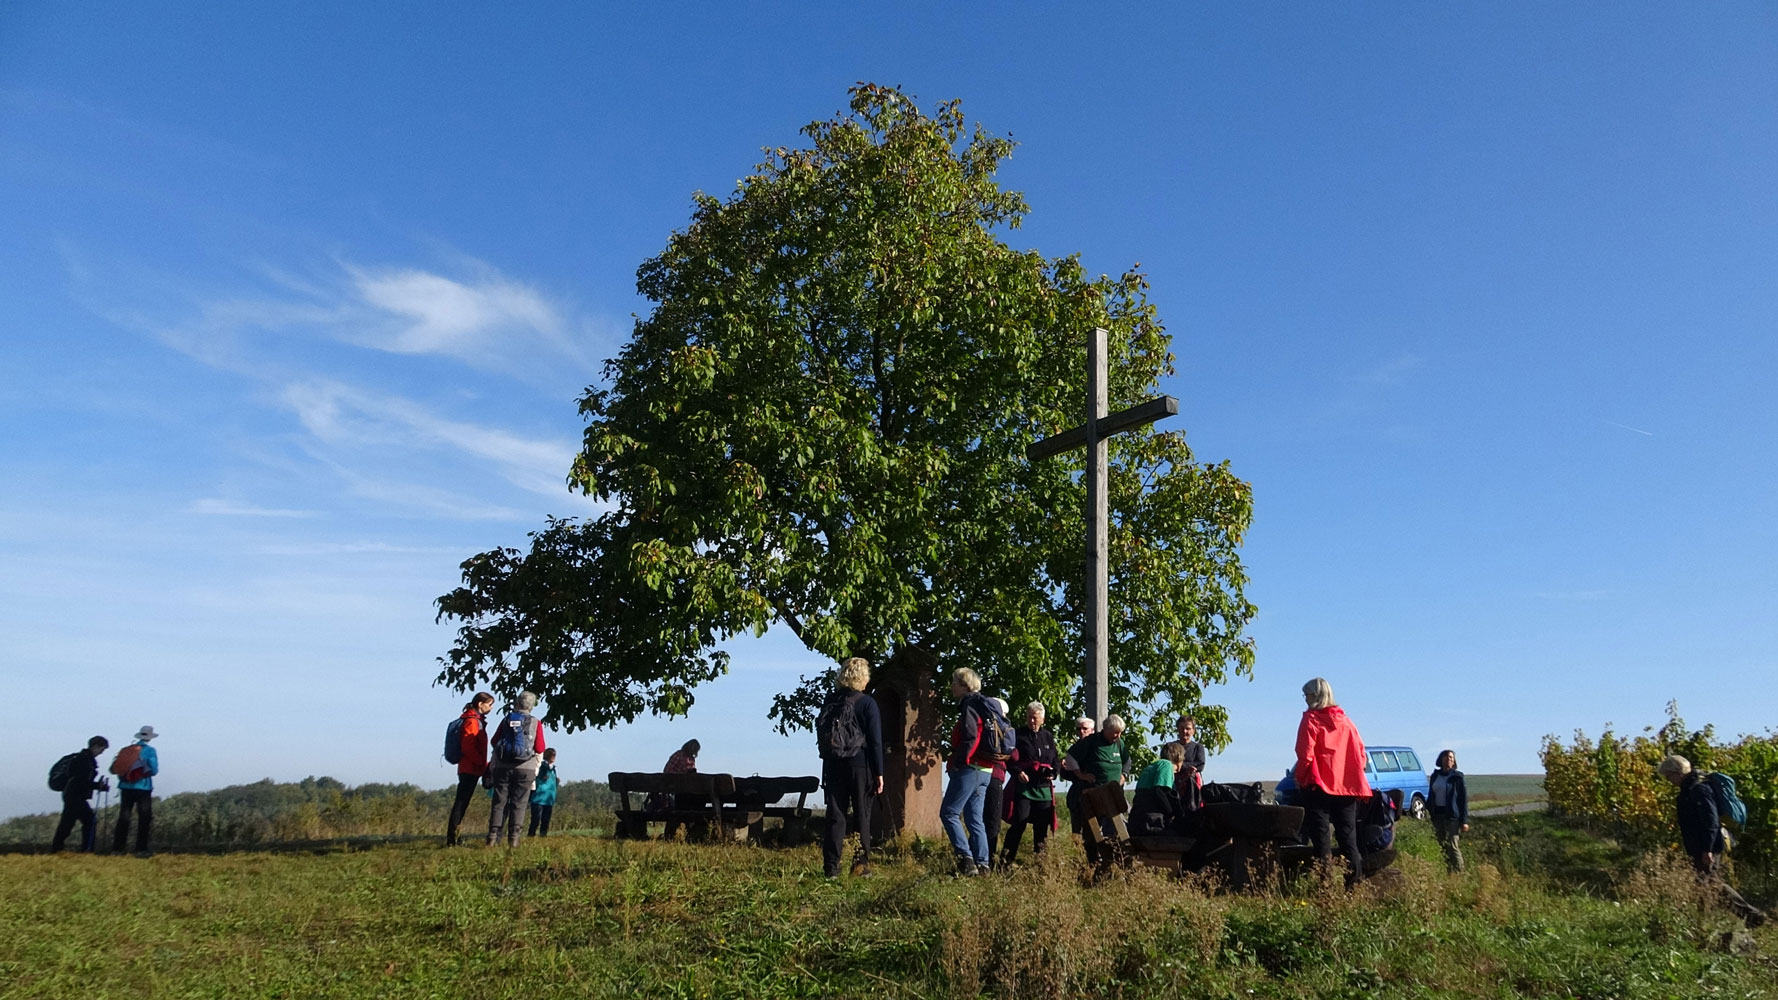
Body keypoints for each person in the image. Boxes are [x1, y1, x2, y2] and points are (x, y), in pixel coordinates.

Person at [1656, 754, 1766, 927]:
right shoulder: (1690, 789)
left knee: (1710, 884)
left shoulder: (1699, 789)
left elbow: (1711, 821)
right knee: (1703, 885)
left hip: (1708, 845)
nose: (1669, 780)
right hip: (1699, 846)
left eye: (1669, 776)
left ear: (1678, 772)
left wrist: (1707, 849)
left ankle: (1752, 915)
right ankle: (1703, 924)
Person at [1293, 678, 1370, 888]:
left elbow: (1305, 755)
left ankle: (1325, 891)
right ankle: (1353, 888)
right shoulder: (1347, 722)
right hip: (1346, 790)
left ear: (1314, 696)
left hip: (1318, 788)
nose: (1305, 699)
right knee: (1349, 841)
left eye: (1306, 695)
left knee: (1322, 841)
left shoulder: (1310, 720)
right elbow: (1362, 756)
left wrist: (1299, 778)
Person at [816, 657, 884, 878]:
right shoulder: (867, 703)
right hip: (860, 764)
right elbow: (875, 741)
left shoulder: (830, 701)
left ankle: (831, 868)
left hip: (834, 764)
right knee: (862, 814)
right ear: (864, 678)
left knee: (835, 815)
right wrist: (879, 773)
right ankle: (860, 866)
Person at [939, 667, 996, 875]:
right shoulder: (986, 705)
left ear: (964, 685)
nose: (952, 686)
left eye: (954, 682)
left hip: (970, 768)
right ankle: (983, 865)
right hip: (987, 769)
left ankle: (965, 859)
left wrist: (959, 762)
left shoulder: (970, 705)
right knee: (974, 818)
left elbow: (971, 737)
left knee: (949, 812)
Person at [1063, 714, 1130, 864]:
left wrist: (1124, 775)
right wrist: (1081, 775)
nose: (1117, 735)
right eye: (1115, 732)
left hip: (1113, 796)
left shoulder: (1119, 743)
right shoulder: (1091, 742)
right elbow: (1070, 756)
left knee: (1118, 830)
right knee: (1091, 832)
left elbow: (1127, 761)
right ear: (1105, 729)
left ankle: (1118, 860)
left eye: (1120, 732)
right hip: (1093, 796)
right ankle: (1091, 863)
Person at [486, 691, 548, 848]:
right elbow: (540, 747)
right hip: (525, 769)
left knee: (499, 803)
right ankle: (513, 839)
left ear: (517, 703)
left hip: (502, 767)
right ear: (531, 706)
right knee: (519, 804)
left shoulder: (507, 719)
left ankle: (493, 838)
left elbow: (494, 741)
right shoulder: (536, 723)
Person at [1001, 701, 1058, 866]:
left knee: (1041, 829)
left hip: (1044, 788)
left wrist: (1053, 773)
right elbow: (1010, 759)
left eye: (1035, 718)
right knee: (1019, 823)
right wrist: (1018, 772)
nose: (1032, 721)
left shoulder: (1048, 736)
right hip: (1024, 787)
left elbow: (1054, 759)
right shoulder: (1018, 735)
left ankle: (1040, 865)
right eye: (1029, 717)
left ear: (1042, 719)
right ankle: (1005, 861)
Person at [447, 693, 495, 846]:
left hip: (470, 767)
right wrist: (481, 764)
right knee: (461, 803)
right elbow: (468, 746)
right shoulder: (472, 722)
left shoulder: (475, 720)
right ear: (480, 704)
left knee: (462, 802)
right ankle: (453, 838)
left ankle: (454, 836)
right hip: (470, 768)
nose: (491, 708)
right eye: (489, 704)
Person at [50, 736, 110, 852]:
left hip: (70, 794)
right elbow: (81, 781)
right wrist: (97, 786)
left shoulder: (82, 758)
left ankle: (56, 848)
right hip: (75, 795)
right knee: (89, 820)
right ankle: (87, 849)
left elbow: (79, 780)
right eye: (102, 749)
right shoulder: (85, 760)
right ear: (95, 746)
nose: (102, 752)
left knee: (67, 823)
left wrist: (96, 785)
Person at [1131, 742, 1186, 834]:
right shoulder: (1167, 765)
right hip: (1150, 822)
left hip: (1137, 820)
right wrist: (1172, 814)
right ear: (1178, 758)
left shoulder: (1151, 766)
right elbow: (1160, 791)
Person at [651, 739, 702, 840]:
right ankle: (685, 833)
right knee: (685, 806)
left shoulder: (690, 759)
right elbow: (667, 772)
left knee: (694, 802)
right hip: (677, 789)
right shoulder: (679, 755)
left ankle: (688, 833)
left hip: (686, 789)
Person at [1428, 749, 1469, 873]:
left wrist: (1464, 820)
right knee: (1442, 844)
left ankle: (1460, 872)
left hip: (1452, 816)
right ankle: (1449, 871)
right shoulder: (1435, 776)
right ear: (1441, 760)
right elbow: (1431, 795)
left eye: (1451, 758)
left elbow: (1463, 800)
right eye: (1446, 757)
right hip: (1438, 815)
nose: (1449, 760)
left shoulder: (1457, 777)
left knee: (1453, 845)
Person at [982, 697, 1012, 863]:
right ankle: (989, 858)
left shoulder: (981, 724)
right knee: (992, 820)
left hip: (978, 774)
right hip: (995, 776)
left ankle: (978, 857)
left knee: (977, 819)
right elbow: (1012, 754)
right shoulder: (1002, 728)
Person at [1061, 716, 1096, 848]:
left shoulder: (1097, 749)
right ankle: (1079, 856)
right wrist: (1064, 768)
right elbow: (1069, 776)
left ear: (1092, 730)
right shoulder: (1074, 750)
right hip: (1077, 794)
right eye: (1078, 729)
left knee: (1093, 830)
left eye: (1085, 728)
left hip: (1093, 794)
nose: (1081, 731)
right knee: (1077, 831)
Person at [527, 748, 560, 838]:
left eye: (554, 755)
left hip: (549, 799)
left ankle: (543, 836)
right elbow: (537, 778)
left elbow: (552, 782)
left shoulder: (553, 768)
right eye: (551, 755)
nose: (553, 757)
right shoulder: (541, 766)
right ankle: (531, 835)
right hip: (539, 798)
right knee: (535, 819)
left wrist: (556, 782)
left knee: (546, 820)